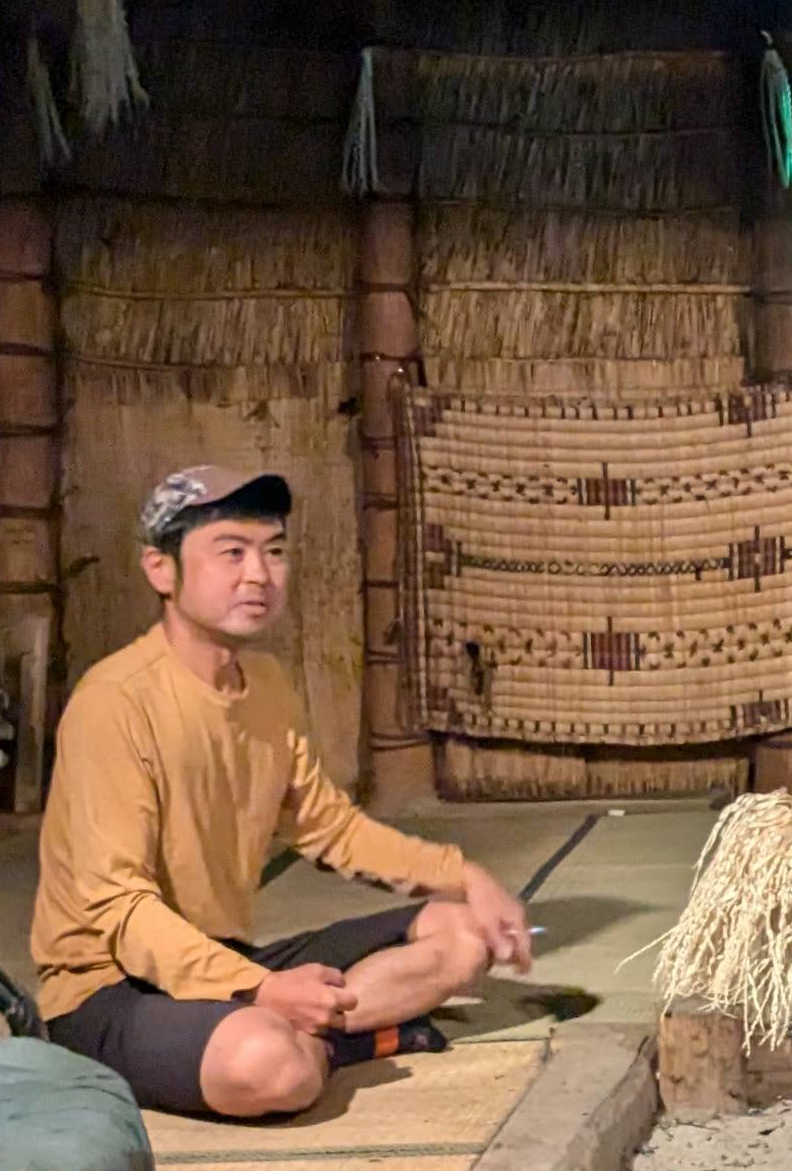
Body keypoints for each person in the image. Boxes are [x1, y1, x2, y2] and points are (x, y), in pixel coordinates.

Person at [36, 467, 535, 1121]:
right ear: (161, 570)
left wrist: (464, 875)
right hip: (112, 989)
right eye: (231, 553)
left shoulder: (265, 684)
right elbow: (123, 913)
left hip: (224, 959)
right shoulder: (114, 703)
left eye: (273, 552)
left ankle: (310, 1034)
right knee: (271, 1068)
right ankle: (330, 1043)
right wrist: (264, 989)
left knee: (464, 938)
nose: (258, 576)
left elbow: (331, 829)